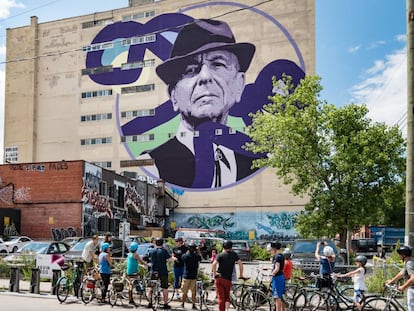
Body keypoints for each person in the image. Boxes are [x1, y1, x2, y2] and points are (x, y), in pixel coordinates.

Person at [138, 18, 261, 189]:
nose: (205, 77)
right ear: (173, 96)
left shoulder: (258, 162)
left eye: (218, 64)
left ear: (239, 85)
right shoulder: (150, 165)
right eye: (190, 70)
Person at [212, 240, 244, 311]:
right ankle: (227, 309)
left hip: (219, 278)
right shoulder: (234, 254)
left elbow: (214, 264)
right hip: (228, 279)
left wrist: (215, 274)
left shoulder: (220, 255)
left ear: (223, 246)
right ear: (231, 247)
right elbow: (240, 264)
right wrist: (241, 275)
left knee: (221, 298)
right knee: (227, 297)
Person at [386, 245, 414, 311]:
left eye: (400, 255)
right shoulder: (409, 261)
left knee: (411, 308)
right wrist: (392, 281)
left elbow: (413, 279)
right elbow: (402, 273)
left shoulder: (409, 263)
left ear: (404, 255)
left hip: (413, 290)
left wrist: (403, 287)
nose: (399, 256)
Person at [148, 238, 173, 309]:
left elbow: (148, 257)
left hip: (153, 271)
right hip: (163, 271)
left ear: (156, 243)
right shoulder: (164, 251)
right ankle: (165, 304)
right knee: (165, 287)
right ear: (162, 244)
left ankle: (150, 302)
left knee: (150, 287)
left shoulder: (152, 250)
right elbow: (169, 258)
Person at [181, 243, 202, 309]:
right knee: (193, 292)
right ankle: (193, 304)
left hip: (186, 276)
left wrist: (188, 250)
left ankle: (183, 303)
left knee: (184, 292)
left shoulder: (185, 256)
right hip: (194, 276)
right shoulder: (196, 256)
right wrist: (198, 251)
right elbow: (201, 258)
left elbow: (183, 257)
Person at [269, 242, 285, 311]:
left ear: (274, 248)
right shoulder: (281, 255)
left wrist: (271, 273)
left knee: (277, 297)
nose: (270, 251)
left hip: (277, 278)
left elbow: (277, 268)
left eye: (271, 249)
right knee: (280, 296)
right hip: (281, 276)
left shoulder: (277, 256)